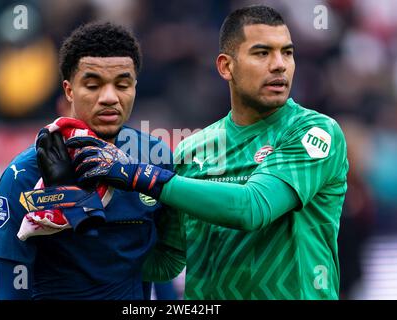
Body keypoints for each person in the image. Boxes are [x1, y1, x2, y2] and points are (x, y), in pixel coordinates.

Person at [64, 5, 349, 300]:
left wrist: (141, 176)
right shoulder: (193, 149)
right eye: (262, 53)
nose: (279, 65)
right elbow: (167, 261)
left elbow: (252, 208)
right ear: (226, 66)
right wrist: (72, 243)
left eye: (287, 53)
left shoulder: (314, 132)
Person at [0, 22, 185, 300]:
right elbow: (10, 292)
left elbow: (161, 269)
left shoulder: (157, 159)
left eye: (122, 84)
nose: (109, 97)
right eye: (92, 85)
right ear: (69, 90)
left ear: (135, 88)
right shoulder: (24, 176)